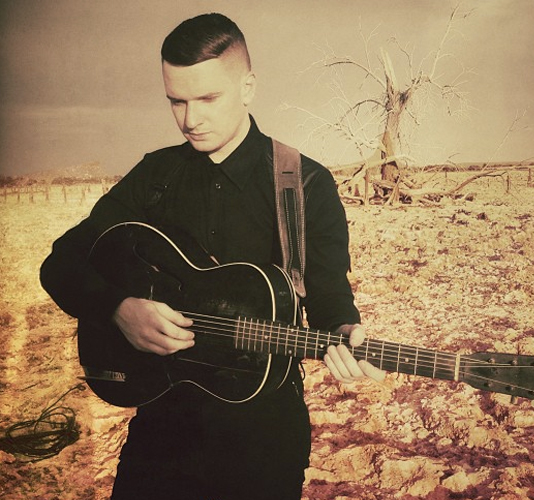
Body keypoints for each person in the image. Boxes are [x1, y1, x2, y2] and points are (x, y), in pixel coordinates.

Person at [40, 12, 384, 500]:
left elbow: (329, 297)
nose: (190, 119)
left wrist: (345, 331)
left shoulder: (305, 184)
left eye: (207, 99)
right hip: (161, 430)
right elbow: (61, 262)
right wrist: (118, 308)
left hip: (264, 439)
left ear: (248, 87)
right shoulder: (156, 176)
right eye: (176, 101)